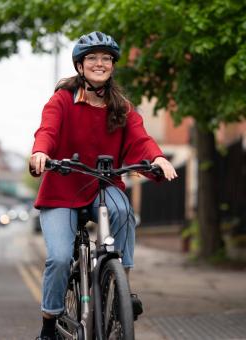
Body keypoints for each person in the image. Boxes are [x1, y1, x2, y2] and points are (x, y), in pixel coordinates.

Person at [29, 31, 177, 340]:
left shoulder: (121, 107)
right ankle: (47, 325)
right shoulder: (62, 101)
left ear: (112, 65)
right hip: (62, 188)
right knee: (58, 258)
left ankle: (119, 285)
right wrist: (41, 152)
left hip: (103, 185)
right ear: (80, 66)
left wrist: (158, 159)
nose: (100, 63)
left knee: (124, 211)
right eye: (92, 58)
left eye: (106, 58)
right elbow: (47, 130)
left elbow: (141, 139)